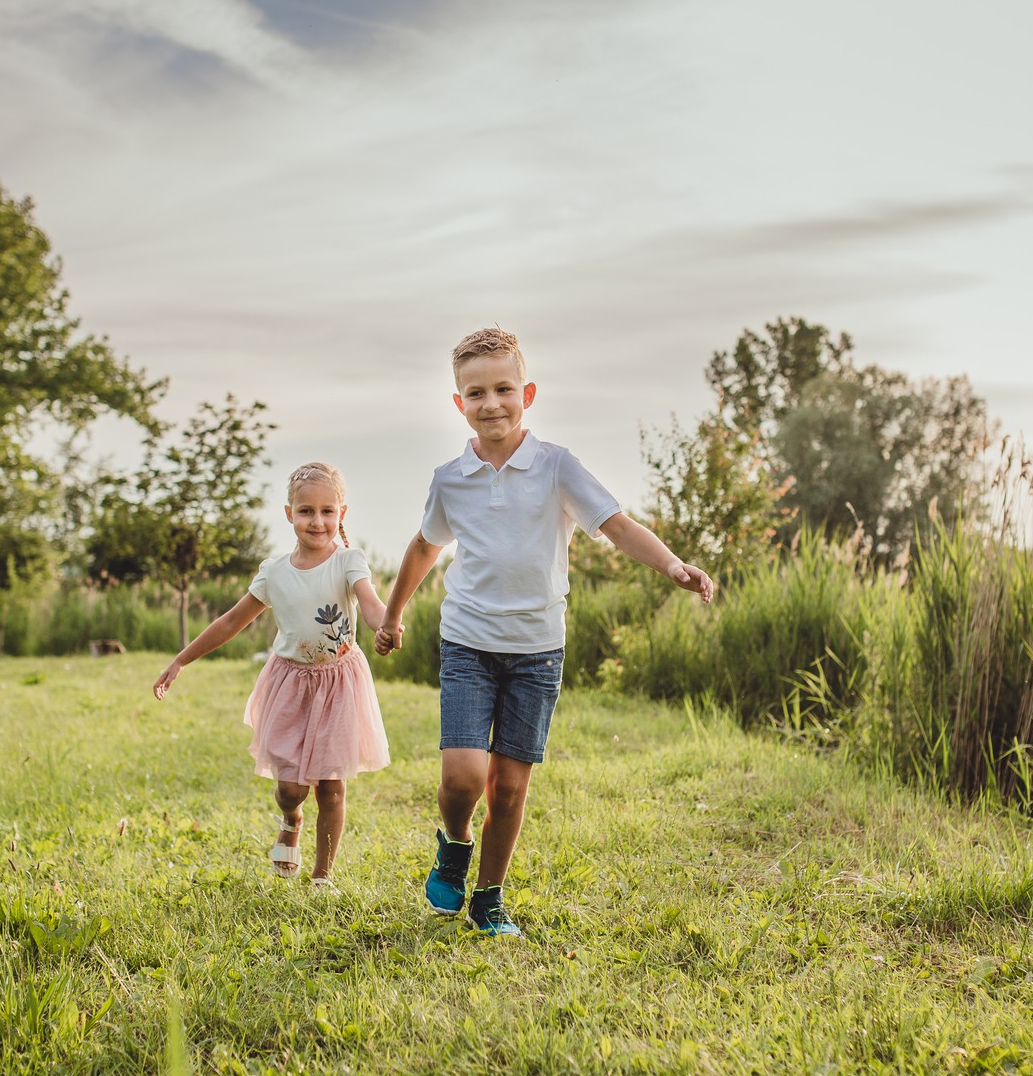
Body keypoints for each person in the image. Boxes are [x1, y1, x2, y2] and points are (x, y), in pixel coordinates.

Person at [375, 327, 714, 936]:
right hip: (468, 643)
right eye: (475, 393)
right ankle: (454, 843)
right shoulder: (450, 478)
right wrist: (395, 613)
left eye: (503, 388)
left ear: (526, 393)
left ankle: (489, 899)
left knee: (508, 786)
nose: (491, 403)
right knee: (463, 777)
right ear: (459, 404)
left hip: (537, 651)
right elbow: (424, 547)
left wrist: (670, 564)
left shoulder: (556, 466)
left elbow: (615, 524)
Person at [153, 462, 391, 890]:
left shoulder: (348, 561)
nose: (316, 522)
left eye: (326, 512)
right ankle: (290, 818)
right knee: (291, 788)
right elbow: (230, 622)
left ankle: (322, 875)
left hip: (339, 683)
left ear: (341, 513)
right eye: (306, 512)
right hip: (291, 684)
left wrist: (386, 625)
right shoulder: (274, 571)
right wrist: (181, 661)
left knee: (332, 786)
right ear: (288, 514)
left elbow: (369, 602)